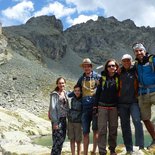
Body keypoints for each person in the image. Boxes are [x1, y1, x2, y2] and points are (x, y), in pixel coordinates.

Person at [118, 54, 144, 154]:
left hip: (134, 102)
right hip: (122, 103)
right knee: (125, 125)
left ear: (131, 61)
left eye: (128, 60)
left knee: (137, 121)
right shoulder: (119, 73)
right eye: (124, 61)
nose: (126, 62)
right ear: (122, 62)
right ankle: (129, 148)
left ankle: (140, 146)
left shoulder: (135, 71)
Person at [94, 59, 119, 155]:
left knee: (113, 129)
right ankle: (102, 151)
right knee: (102, 130)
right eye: (109, 66)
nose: (111, 67)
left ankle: (112, 150)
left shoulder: (119, 77)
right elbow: (98, 93)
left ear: (116, 67)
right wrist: (95, 107)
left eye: (113, 65)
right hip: (102, 107)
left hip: (114, 107)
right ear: (106, 68)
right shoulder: (102, 78)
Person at [132, 42, 155, 149]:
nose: (139, 53)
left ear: (144, 51)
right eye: (136, 51)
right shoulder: (136, 64)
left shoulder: (152, 60)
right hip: (142, 94)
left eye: (140, 50)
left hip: (154, 91)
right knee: (145, 118)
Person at [77, 58, 100, 155]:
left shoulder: (97, 77)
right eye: (84, 66)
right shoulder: (81, 78)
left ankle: (94, 151)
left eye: (88, 66)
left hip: (95, 106)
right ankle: (85, 153)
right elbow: (77, 89)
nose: (86, 68)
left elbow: (102, 88)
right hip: (84, 107)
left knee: (95, 130)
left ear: (91, 67)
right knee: (85, 132)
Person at [49, 77, 69, 155]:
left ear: (65, 83)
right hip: (57, 119)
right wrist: (55, 122)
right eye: (60, 83)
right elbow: (52, 108)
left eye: (63, 83)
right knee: (57, 141)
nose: (61, 84)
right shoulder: (54, 94)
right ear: (57, 84)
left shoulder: (65, 93)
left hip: (64, 119)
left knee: (62, 140)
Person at [67, 85, 83, 155]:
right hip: (70, 121)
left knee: (78, 141)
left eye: (78, 91)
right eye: (75, 91)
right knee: (71, 139)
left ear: (81, 91)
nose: (77, 92)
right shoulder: (72, 98)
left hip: (78, 122)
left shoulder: (83, 99)